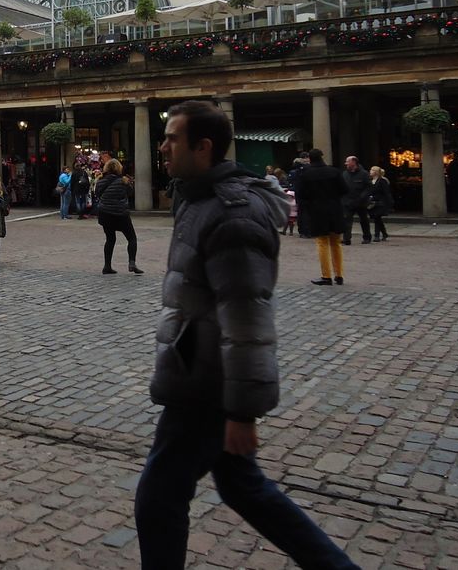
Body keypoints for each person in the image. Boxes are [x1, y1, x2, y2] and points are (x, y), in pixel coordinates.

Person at [135, 102, 354, 570]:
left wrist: (241, 410)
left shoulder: (231, 215)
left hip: (206, 383)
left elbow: (247, 319)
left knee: (159, 499)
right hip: (202, 368)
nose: (163, 146)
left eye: (172, 138)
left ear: (203, 146)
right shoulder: (199, 199)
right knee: (244, 488)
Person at [294, 149, 349, 286]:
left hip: (317, 211)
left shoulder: (306, 174)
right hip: (335, 209)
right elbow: (344, 190)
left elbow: (300, 195)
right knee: (336, 243)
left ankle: (326, 276)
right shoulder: (334, 172)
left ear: (310, 159)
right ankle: (339, 274)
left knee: (322, 242)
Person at [93, 158, 141, 276]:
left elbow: (97, 193)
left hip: (105, 212)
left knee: (110, 239)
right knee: (131, 238)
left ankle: (107, 266)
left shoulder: (100, 181)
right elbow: (130, 193)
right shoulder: (123, 180)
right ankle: (132, 262)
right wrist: (129, 183)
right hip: (120, 212)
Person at [341, 155, 372, 245]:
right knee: (347, 220)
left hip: (360, 202)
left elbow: (368, 187)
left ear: (354, 162)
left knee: (364, 220)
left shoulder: (364, 174)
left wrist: (362, 197)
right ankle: (346, 239)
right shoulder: (344, 174)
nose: (346, 163)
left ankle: (367, 237)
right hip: (348, 201)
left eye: (348, 162)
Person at [367, 165, 394, 242]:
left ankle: (377, 235)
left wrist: (389, 202)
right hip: (372, 202)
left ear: (376, 172)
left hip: (380, 202)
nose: (370, 171)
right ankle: (384, 233)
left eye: (372, 170)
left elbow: (386, 193)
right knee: (377, 219)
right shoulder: (370, 181)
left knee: (377, 217)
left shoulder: (382, 181)